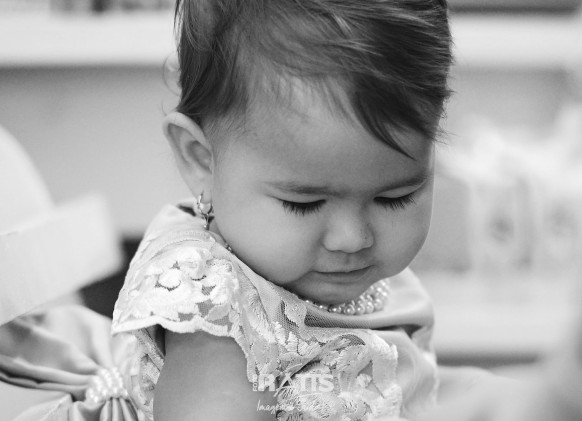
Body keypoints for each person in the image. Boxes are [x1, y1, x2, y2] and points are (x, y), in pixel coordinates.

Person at [111, 0, 454, 420]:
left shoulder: (335, 270)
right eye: (303, 204)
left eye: (394, 197)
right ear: (203, 160)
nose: (353, 238)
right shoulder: (216, 317)